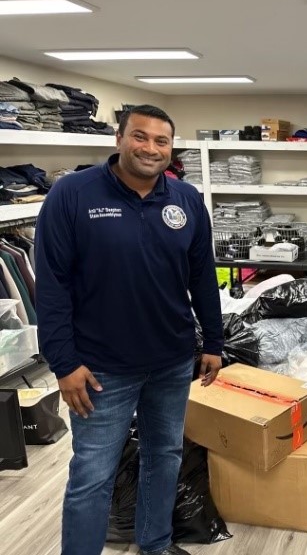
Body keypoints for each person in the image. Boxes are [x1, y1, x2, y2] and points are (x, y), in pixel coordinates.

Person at [35, 104, 224, 555]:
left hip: (171, 361)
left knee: (165, 456)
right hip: (100, 369)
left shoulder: (186, 200)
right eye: (140, 136)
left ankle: (155, 544)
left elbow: (203, 275)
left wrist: (214, 341)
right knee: (92, 476)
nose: (150, 148)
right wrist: (63, 363)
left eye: (161, 141)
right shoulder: (72, 194)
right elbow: (52, 286)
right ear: (118, 138)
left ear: (171, 149)